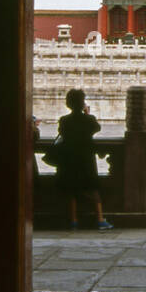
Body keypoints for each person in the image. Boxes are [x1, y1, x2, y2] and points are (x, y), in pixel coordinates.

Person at [55, 89, 113, 230]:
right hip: (85, 158)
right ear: (82, 103)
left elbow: (62, 133)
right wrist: (87, 113)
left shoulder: (64, 120)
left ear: (68, 103)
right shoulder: (89, 119)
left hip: (69, 158)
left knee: (72, 190)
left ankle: (74, 220)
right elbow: (96, 128)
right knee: (93, 188)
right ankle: (100, 219)